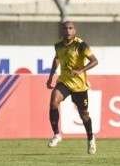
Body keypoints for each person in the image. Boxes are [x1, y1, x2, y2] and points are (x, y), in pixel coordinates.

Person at [46, 21, 99, 155]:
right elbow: (57, 58)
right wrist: (51, 76)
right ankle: (57, 135)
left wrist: (81, 70)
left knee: (84, 114)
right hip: (64, 82)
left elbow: (94, 61)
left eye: (70, 28)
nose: (68, 31)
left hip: (79, 86)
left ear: (74, 31)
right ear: (62, 31)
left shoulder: (80, 45)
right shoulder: (58, 45)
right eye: (65, 28)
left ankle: (91, 137)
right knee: (53, 101)